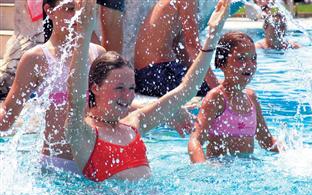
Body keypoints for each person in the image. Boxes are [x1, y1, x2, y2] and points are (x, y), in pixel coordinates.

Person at [66, 0, 231, 181]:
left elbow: (187, 90)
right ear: (95, 88)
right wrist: (83, 34)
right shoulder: (83, 134)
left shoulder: (134, 124)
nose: (127, 96)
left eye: (131, 88)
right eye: (119, 88)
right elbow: (76, 98)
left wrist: (212, 37)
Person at [0, 0, 105, 173]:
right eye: (70, 9)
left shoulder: (97, 54)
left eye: (82, 10)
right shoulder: (36, 58)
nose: (77, 16)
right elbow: (6, 119)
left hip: (94, 163)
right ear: (49, 11)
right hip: (56, 167)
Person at [188, 31, 279, 163]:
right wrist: (202, 169)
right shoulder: (216, 97)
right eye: (241, 58)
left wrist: (291, 154)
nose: (249, 64)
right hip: (220, 168)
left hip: (248, 168)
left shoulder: (251, 97)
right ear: (222, 62)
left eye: (253, 58)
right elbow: (195, 140)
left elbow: (266, 140)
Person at [134, 0, 220, 97]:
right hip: (158, 74)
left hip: (144, 77)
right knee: (215, 90)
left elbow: (180, 47)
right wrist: (217, 88)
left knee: (214, 84)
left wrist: (200, 76)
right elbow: (192, 46)